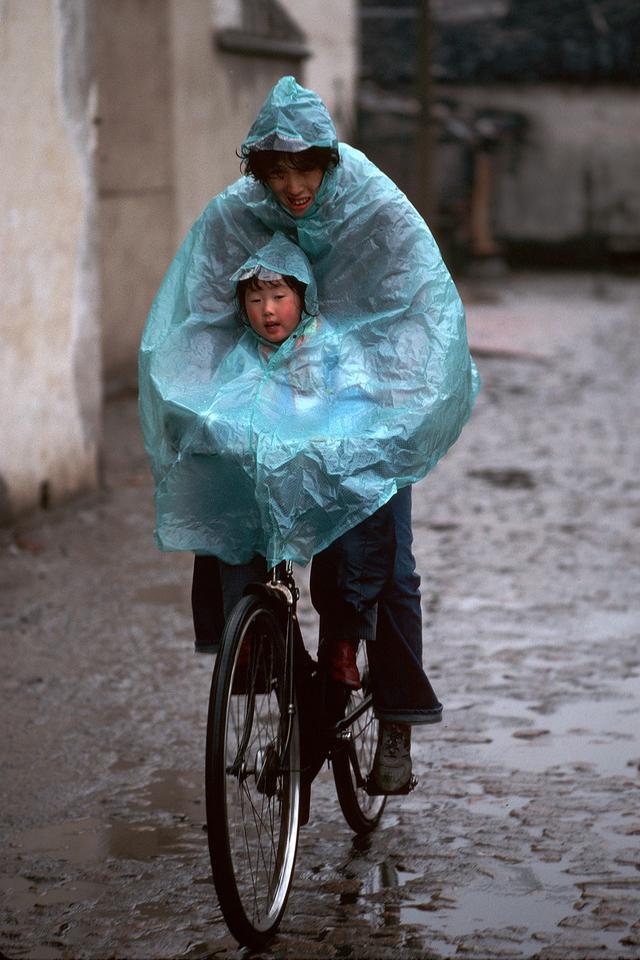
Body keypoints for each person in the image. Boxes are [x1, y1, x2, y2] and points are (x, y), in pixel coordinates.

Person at [139, 77, 480, 794]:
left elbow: (422, 310)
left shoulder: (376, 207)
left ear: (330, 160)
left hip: (367, 394)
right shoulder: (238, 213)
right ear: (258, 173)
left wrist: (392, 408)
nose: (294, 186)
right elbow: (196, 313)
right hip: (278, 399)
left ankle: (396, 720)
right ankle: (277, 666)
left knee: (388, 557)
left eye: (306, 169)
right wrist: (198, 403)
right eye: (277, 173)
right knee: (231, 517)